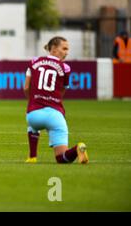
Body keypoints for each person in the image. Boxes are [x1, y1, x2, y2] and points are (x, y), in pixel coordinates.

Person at [23, 36, 88, 164]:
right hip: (55, 116)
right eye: (64, 48)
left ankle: (32, 157)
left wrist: (32, 102)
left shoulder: (33, 62)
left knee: (32, 125)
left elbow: (26, 88)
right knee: (61, 158)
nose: (66, 52)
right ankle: (77, 148)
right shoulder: (66, 68)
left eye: (67, 49)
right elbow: (62, 92)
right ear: (53, 49)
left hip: (34, 115)